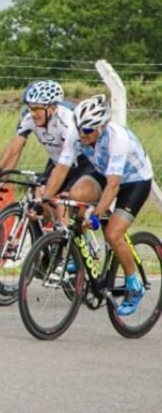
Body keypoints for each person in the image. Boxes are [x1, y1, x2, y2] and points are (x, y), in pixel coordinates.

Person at [43, 94, 154, 316]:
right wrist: (45, 198)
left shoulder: (117, 140)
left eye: (87, 130)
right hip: (104, 172)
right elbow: (61, 168)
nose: (82, 134)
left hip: (134, 182)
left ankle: (134, 285)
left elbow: (113, 186)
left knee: (113, 234)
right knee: (76, 195)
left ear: (101, 127)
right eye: (79, 129)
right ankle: (79, 252)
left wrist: (96, 214)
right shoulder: (78, 132)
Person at [0, 81, 102, 258]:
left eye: (37, 109)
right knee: (40, 196)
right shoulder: (29, 118)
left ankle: (68, 253)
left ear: (52, 108)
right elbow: (15, 146)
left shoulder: (66, 121)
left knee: (62, 204)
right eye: (30, 108)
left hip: (81, 163)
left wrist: (52, 194)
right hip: (57, 161)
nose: (33, 113)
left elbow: (64, 165)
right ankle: (55, 237)